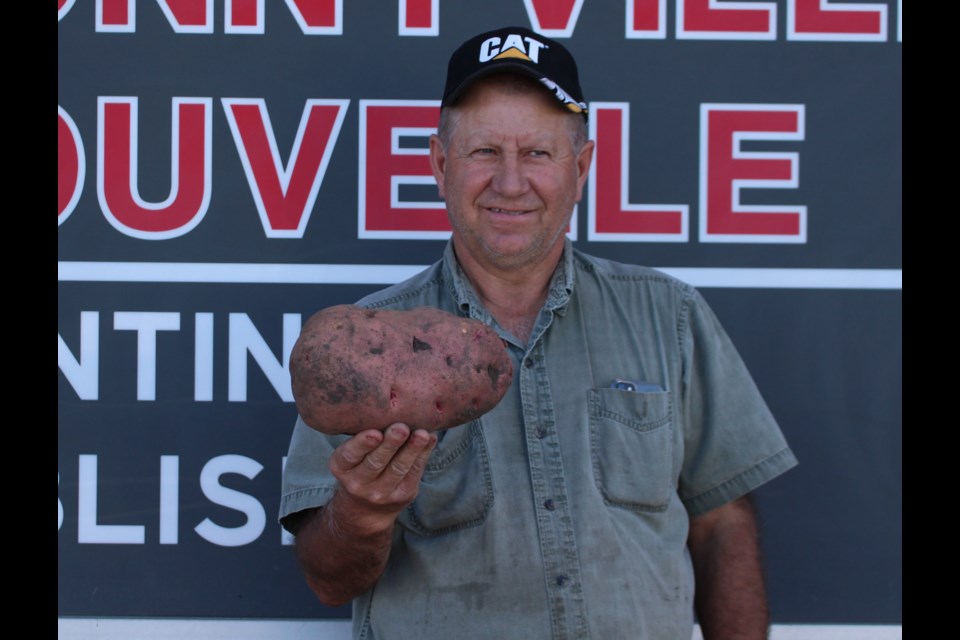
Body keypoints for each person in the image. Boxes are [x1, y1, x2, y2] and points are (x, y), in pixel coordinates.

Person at [280, 25, 798, 640]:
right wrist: (362, 514)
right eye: (483, 152)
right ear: (441, 165)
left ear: (580, 168)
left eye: (537, 153)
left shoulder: (671, 316)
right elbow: (328, 580)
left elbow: (723, 524)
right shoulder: (362, 352)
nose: (509, 182)